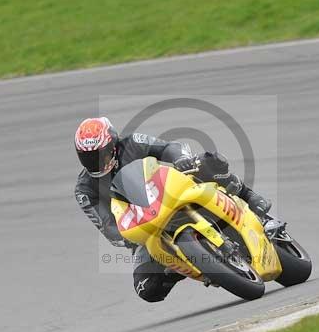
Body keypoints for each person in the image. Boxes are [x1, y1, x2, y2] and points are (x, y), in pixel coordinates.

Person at [74, 117, 271, 302]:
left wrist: (180, 158)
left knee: (207, 161)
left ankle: (248, 196)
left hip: (168, 191)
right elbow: (106, 224)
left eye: (101, 153)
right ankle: (178, 268)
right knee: (146, 288)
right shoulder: (84, 189)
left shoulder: (131, 143)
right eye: (89, 157)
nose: (97, 161)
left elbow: (168, 147)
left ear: (113, 144)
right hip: (143, 226)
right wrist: (122, 237)